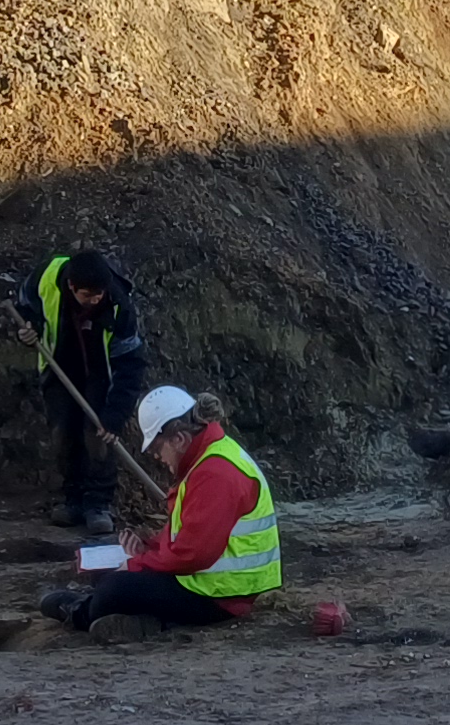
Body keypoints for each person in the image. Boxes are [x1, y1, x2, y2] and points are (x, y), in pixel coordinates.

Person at [42, 385, 279, 631]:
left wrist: (137, 564)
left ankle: (80, 613)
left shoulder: (214, 474)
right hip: (216, 586)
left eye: (157, 449)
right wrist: (149, 547)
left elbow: (192, 554)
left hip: (222, 596)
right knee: (115, 578)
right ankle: (121, 613)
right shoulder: (210, 459)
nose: (157, 457)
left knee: (114, 589)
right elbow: (190, 536)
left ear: (179, 439)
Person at [30, 248, 145, 531]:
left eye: (99, 295)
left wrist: (115, 415)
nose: (95, 300)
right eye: (88, 295)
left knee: (98, 438)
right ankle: (72, 500)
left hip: (100, 375)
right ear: (72, 286)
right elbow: (27, 303)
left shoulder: (118, 305)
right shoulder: (48, 277)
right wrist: (29, 328)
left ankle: (98, 504)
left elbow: (131, 364)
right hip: (60, 368)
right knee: (63, 435)